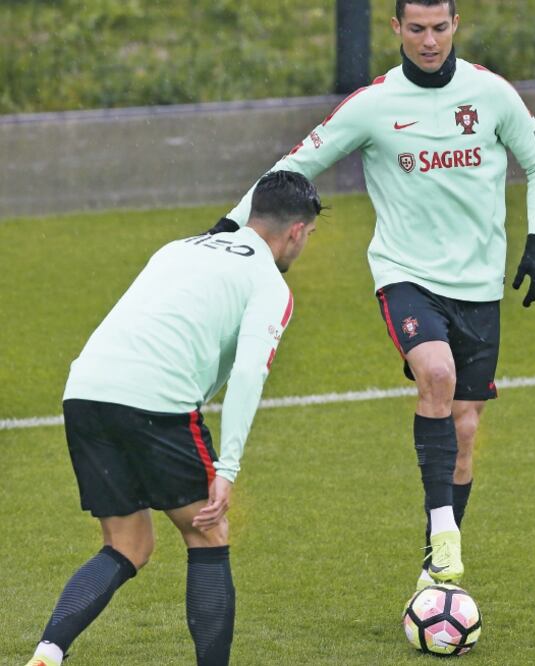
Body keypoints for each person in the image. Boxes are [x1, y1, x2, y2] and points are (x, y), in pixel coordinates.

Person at [211, 0, 535, 587]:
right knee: (437, 374)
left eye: (440, 28)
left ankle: (434, 573)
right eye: (417, 29)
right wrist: (230, 225)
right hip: (406, 275)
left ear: (456, 25)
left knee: (466, 430)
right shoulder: (373, 105)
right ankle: (445, 534)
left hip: (478, 284)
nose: (429, 41)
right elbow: (294, 167)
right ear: (396, 28)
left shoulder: (493, 95)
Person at [22, 171, 322, 666]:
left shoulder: (178, 246)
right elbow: (249, 372)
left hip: (85, 392)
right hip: (157, 402)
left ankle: (47, 654)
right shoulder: (268, 282)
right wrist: (228, 468)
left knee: (128, 544)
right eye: (308, 236)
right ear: (295, 231)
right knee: (207, 533)